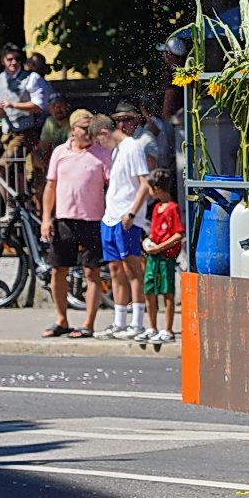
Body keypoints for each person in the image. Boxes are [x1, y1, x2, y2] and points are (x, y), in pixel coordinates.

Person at [40, 110, 112, 338]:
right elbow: (50, 187)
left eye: (90, 127)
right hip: (64, 219)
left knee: (92, 272)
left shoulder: (102, 154)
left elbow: (112, 184)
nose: (88, 132)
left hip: (92, 220)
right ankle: (61, 319)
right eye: (83, 128)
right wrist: (45, 218)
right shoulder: (60, 153)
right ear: (73, 129)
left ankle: (88, 323)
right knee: (58, 270)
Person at [97, 107, 152, 341]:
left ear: (103, 133)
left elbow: (144, 183)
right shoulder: (118, 150)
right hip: (110, 217)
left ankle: (137, 323)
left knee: (132, 269)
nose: (100, 146)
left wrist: (131, 213)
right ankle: (119, 322)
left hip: (126, 218)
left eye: (98, 140)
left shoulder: (132, 147)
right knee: (115, 270)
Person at [0, 44, 54, 193]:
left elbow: (39, 105)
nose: (13, 62)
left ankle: (11, 205)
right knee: (16, 172)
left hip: (26, 131)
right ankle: (21, 203)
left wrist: (13, 105)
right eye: (10, 59)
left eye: (17, 59)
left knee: (2, 167)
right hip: (7, 133)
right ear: (3, 61)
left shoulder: (32, 78)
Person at [140, 167, 181, 344]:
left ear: (156, 188)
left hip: (165, 258)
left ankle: (168, 329)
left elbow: (178, 234)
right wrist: (147, 242)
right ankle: (152, 327)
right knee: (149, 291)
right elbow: (153, 233)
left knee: (167, 292)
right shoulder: (156, 208)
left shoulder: (173, 208)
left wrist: (160, 248)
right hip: (153, 257)